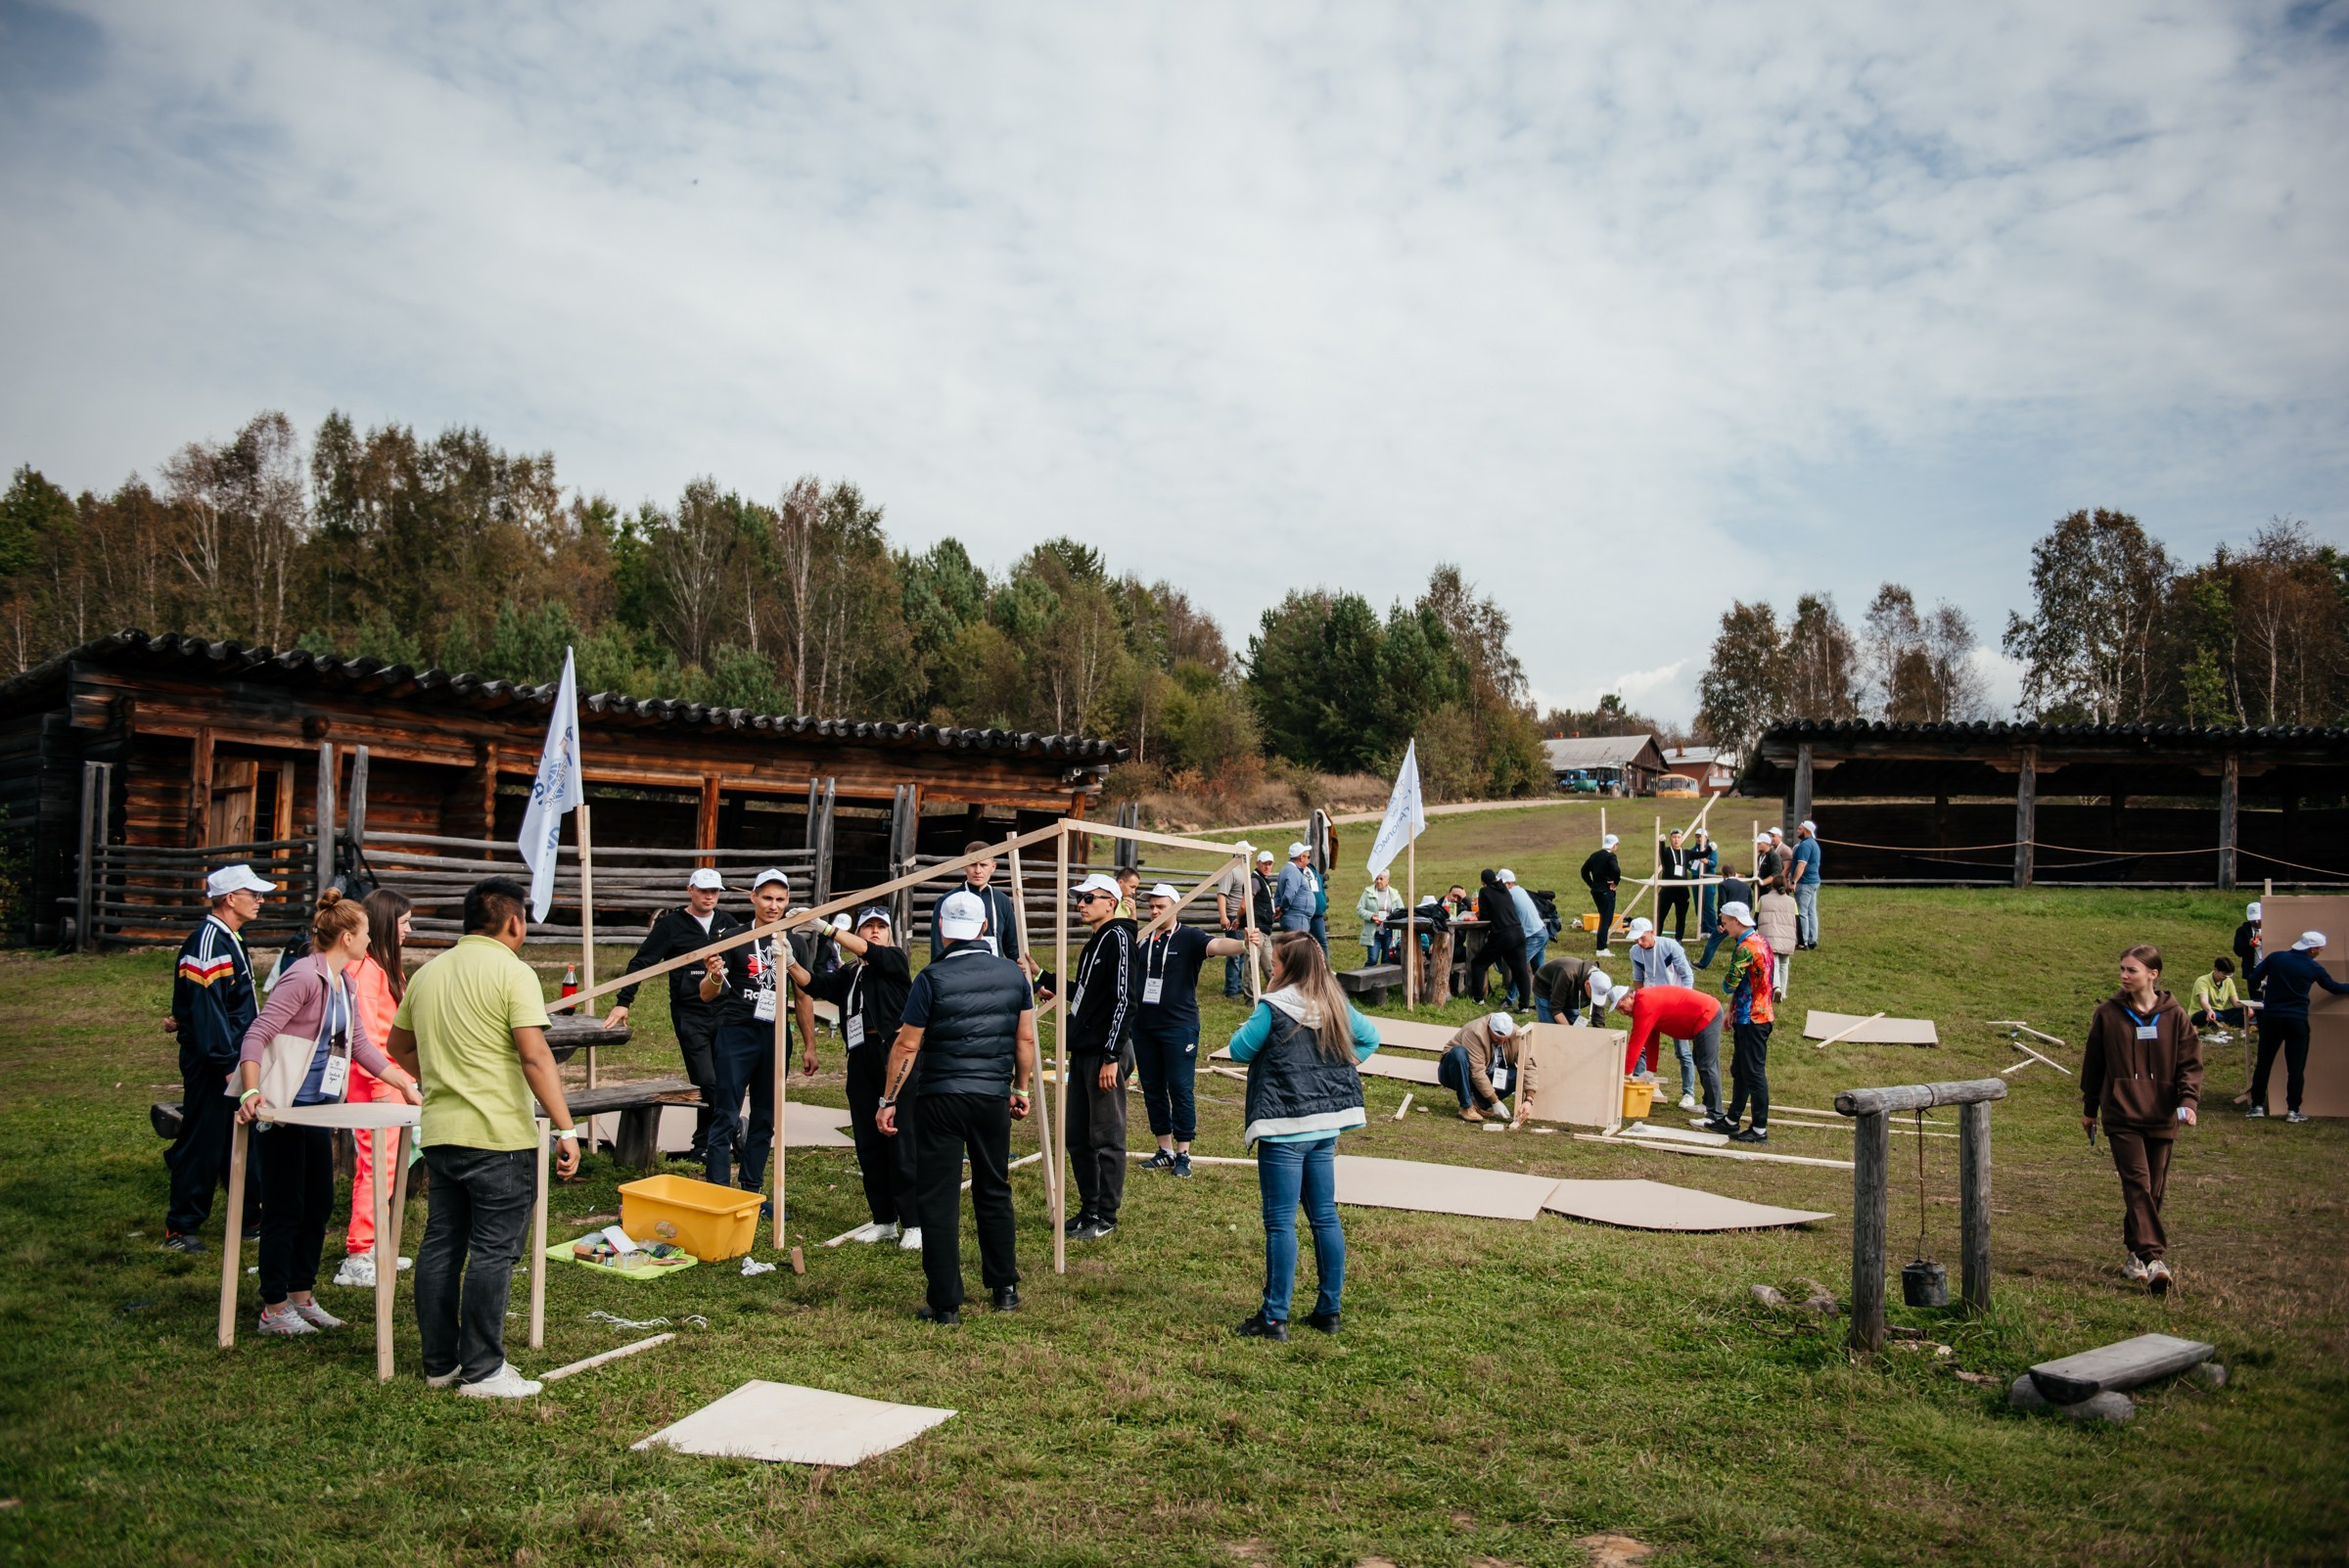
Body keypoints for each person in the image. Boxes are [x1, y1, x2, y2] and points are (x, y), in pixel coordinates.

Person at [387, 876, 580, 1398]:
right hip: (500, 1136)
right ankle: (482, 1370)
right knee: (493, 1251)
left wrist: (442, 1077)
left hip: (443, 1133)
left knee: (441, 1245)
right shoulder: (512, 972)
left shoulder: (427, 973)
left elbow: (398, 1047)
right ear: (513, 921)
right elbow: (535, 1056)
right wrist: (566, 1128)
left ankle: (439, 1364)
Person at [234, 890, 421, 1337]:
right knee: (285, 1207)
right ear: (347, 937)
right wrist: (251, 1090)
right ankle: (273, 1306)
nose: (372, 939)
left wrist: (404, 1084)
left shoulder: (346, 982)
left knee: (316, 1204)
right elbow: (256, 1034)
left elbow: (360, 1045)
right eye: (367, 933)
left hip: (320, 1110)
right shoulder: (302, 976)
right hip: (283, 1109)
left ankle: (301, 1294)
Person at [876, 889, 1036, 1322]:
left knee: (939, 1197)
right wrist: (1019, 1089)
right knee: (994, 1187)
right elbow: (1024, 1039)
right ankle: (1004, 1286)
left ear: (943, 930)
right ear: (985, 928)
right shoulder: (1013, 976)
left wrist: (888, 1098)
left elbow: (907, 1043)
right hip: (990, 1097)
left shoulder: (930, 978)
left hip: (941, 1097)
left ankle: (946, 1303)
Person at [1226, 932, 1381, 1339]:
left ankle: (1275, 1317)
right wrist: (1343, 1063)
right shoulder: (1333, 1002)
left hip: (1285, 1127)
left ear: (1288, 967)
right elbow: (1371, 1039)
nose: (1270, 968)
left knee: (1280, 1223)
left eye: (1274, 963)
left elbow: (1238, 1050)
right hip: (1325, 1125)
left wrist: (1257, 1012)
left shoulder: (1273, 1007)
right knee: (1324, 1216)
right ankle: (1329, 1310)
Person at [161, 863, 273, 1254]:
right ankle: (180, 1229)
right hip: (215, 1064)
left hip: (234, 1060)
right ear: (230, 899)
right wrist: (227, 1066)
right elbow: (209, 1014)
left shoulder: (230, 938)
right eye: (254, 894)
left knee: (242, 1139)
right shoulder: (207, 943)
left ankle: (251, 1219)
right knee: (202, 1141)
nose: (261, 900)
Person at [793, 906, 917, 1247]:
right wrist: (789, 961)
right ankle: (884, 1220)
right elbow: (815, 985)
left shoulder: (893, 961)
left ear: (889, 934)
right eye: (868, 927)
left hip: (893, 1054)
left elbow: (870, 953)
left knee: (900, 1137)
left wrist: (824, 928)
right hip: (860, 1057)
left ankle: (915, 1223)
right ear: (858, 931)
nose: (874, 932)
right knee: (867, 1139)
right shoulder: (851, 974)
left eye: (881, 927)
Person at [2081, 944, 2201, 1294]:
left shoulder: (2175, 1015)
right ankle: (2153, 1259)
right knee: (2137, 1182)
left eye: (2131, 970)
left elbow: (2190, 1063)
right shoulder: (2108, 1014)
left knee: (2155, 1189)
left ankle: (2134, 1254)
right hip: (2122, 1113)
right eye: (2122, 969)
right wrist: (2090, 1108)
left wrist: (2188, 1101)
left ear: (2153, 974)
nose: (2123, 975)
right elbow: (2094, 1064)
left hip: (2163, 1114)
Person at [697, 868, 814, 1202]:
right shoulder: (733, 937)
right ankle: (719, 1193)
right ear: (753, 897)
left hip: (776, 1035)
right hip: (738, 1032)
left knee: (765, 1117)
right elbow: (706, 994)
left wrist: (810, 1045)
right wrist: (714, 976)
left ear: (788, 900)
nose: (773, 905)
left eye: (780, 899)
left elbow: (804, 994)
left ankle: (752, 1192)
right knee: (726, 1113)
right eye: (766, 897)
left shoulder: (796, 942)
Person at [606, 867, 735, 1165]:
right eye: (704, 890)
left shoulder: (727, 924)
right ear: (690, 889)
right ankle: (709, 1142)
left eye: (715, 891)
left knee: (724, 1081)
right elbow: (643, 962)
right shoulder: (671, 925)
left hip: (725, 1011)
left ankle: (708, 1145)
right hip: (690, 1013)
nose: (709, 896)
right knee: (706, 1080)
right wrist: (624, 1001)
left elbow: (744, 961)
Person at [1034, 872, 1136, 1240]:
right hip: (1083, 1050)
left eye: (1088, 898)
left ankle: (1106, 1216)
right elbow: (1087, 995)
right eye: (1079, 898)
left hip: (1105, 1051)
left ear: (1110, 902)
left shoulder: (1120, 937)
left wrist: (1111, 1056)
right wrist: (1043, 977)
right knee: (1077, 1135)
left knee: (1107, 1136)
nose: (1081, 903)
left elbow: (1125, 1000)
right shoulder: (1095, 942)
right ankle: (1089, 1208)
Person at [1131, 884, 1253, 1176]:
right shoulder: (1142, 938)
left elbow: (1217, 946)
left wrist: (1244, 944)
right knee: (1152, 1087)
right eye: (1152, 907)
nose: (1155, 911)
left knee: (1180, 1088)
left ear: (1175, 907)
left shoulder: (1189, 937)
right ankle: (1165, 1149)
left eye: (1161, 906)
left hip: (1179, 1026)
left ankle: (1184, 1152)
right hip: (1144, 1026)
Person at [335, 887, 417, 1287]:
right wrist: (383, 1086)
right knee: (374, 1169)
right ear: (386, 924)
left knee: (388, 1167)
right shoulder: (364, 972)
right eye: (404, 923)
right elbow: (363, 1037)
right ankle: (358, 1253)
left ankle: (376, 1244)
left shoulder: (386, 968)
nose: (410, 930)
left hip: (393, 1083)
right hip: (374, 1086)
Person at [2249, 931, 2349, 1123]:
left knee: (2263, 1063)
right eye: (2320, 950)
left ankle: (2257, 1106)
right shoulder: (2313, 968)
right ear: (2312, 950)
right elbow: (2334, 988)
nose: (2320, 953)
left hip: (2271, 1018)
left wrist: (2264, 989)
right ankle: (2293, 1111)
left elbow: (2254, 978)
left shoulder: (2275, 958)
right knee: (2295, 1068)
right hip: (2297, 1021)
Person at [1599, 972, 1724, 1120]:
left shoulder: (1644, 1004)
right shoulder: (1644, 1002)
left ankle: (1716, 1114)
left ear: (1630, 997)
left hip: (1707, 1014)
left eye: (1621, 1007)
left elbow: (1636, 1040)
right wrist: (1651, 1070)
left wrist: (1627, 1072)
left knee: (1707, 1065)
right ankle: (1708, 1103)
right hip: (1703, 1016)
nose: (1622, 1012)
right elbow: (1651, 1038)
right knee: (1701, 1060)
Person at [1712, 900, 1774, 1142]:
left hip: (1753, 1019)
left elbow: (1730, 984)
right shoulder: (1761, 940)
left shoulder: (1744, 948)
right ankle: (1732, 1119)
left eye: (1726, 923)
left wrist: (1729, 992)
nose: (1724, 928)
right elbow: (1747, 985)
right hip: (1750, 1014)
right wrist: (1730, 1011)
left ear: (1737, 921)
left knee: (1754, 1073)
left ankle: (1759, 1129)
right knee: (1740, 1070)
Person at [1625, 917, 1694, 1086]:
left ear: (1652, 932)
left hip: (1675, 1003)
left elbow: (1687, 975)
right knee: (1641, 1044)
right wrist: (1641, 1001)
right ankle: (1640, 1083)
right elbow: (1638, 978)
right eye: (1636, 939)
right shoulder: (1635, 952)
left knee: (1683, 1051)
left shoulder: (1670, 946)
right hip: (1651, 1004)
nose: (1639, 942)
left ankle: (1688, 1092)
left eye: (1643, 938)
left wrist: (1684, 1001)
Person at [929, 841, 1023, 962]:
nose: (978, 870)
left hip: (994, 971)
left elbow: (1012, 947)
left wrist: (1019, 965)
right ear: (963, 865)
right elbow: (938, 947)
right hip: (959, 970)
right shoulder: (947, 901)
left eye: (983, 865)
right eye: (973, 864)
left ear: (993, 867)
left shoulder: (1002, 900)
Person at [1437, 1011, 1518, 1123]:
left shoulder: (1517, 1033)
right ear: (1489, 1028)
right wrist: (1495, 1101)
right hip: (1455, 1071)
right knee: (1458, 1053)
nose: (1501, 1043)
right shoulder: (1474, 1032)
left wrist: (1529, 1098)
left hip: (1485, 1071)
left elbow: (1528, 1066)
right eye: (1498, 1038)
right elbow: (1477, 1072)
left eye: (1505, 1039)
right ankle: (1466, 1107)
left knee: (1516, 1074)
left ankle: (1477, 1104)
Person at [1467, 868, 1532, 1007]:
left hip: (1502, 935)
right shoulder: (1505, 889)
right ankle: (1524, 1005)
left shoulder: (1484, 891)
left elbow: (1485, 915)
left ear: (1483, 882)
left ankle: (1478, 998)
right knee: (1521, 971)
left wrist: (1477, 916)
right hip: (1519, 933)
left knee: (1479, 963)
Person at [1696, 859, 1754, 970]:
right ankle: (1746, 964)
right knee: (1744, 943)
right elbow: (1749, 904)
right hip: (1742, 920)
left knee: (1713, 941)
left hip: (1729, 920)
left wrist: (1720, 923)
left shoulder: (1723, 885)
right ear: (1735, 873)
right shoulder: (1745, 886)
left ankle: (1703, 964)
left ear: (1723, 874)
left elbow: (1722, 903)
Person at [1218, 843, 1255, 996]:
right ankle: (1231, 989)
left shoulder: (1244, 871)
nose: (1251, 856)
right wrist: (1224, 916)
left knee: (1241, 950)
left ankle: (1238, 985)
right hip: (1233, 917)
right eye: (1249, 853)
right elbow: (1221, 894)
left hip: (1241, 917)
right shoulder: (1230, 871)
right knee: (1234, 954)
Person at [1502, 868, 1548, 982]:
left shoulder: (1510, 894)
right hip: (1542, 931)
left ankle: (1510, 999)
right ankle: (1546, 994)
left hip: (1534, 935)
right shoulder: (1520, 890)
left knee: (1519, 968)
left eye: (1501, 883)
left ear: (1508, 883)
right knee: (1539, 972)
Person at [1580, 835, 1622, 955]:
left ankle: (1602, 944)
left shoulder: (1595, 855)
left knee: (1603, 917)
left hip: (1596, 891)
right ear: (1614, 845)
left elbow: (1584, 871)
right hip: (1606, 891)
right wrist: (1615, 882)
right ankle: (1601, 948)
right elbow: (1616, 870)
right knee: (1606, 920)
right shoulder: (1611, 857)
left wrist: (1592, 884)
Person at [1756, 883, 1798, 1000]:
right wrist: (1800, 939)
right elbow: (1797, 919)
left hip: (1770, 937)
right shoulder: (1792, 901)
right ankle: (1783, 992)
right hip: (1787, 937)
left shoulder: (1763, 899)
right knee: (1784, 964)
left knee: (1774, 964)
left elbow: (1756, 917)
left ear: (1772, 886)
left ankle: (1776, 987)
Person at [1275, 843, 1321, 947]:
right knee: (1298, 949)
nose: (1308, 860)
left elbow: (1278, 894)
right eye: (1308, 857)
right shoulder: (1293, 872)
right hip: (1297, 918)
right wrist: (1282, 909)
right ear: (1301, 857)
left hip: (1296, 918)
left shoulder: (1286, 870)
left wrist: (1279, 908)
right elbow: (1288, 895)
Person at [1357, 870, 1405, 965]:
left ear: (1387, 880)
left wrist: (1392, 918)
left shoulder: (1395, 894)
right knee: (1372, 959)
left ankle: (1383, 980)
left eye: (1381, 879)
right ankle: (1365, 978)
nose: (1378, 881)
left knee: (1387, 960)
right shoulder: (1368, 892)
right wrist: (1371, 916)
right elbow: (1359, 909)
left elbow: (1401, 911)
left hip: (1389, 933)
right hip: (1374, 932)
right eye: (1376, 878)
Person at [1535, 954, 1600, 1025]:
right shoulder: (1567, 974)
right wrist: (1569, 1032)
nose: (1595, 998)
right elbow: (1556, 1009)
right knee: (1550, 1029)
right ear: (1587, 984)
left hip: (1567, 989)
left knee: (1573, 1024)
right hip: (1545, 988)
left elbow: (1599, 1016)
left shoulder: (1601, 982)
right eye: (1594, 994)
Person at [1656, 829, 1694, 942]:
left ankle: (1679, 939)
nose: (1676, 840)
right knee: (1661, 916)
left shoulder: (1686, 853)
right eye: (1674, 837)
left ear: (1682, 839)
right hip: (1667, 891)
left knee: (1681, 917)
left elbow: (1703, 854)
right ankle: (1657, 939)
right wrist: (1661, 842)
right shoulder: (1667, 852)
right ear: (1670, 839)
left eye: (1678, 837)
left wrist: (1710, 849)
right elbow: (1661, 851)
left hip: (1682, 891)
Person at [1790, 819, 1822, 949]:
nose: (1797, 830)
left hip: (1805, 882)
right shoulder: (1813, 844)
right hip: (1814, 881)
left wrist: (1794, 881)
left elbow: (1801, 864)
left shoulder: (1805, 845)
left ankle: (1803, 941)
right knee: (1811, 911)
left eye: (1800, 828)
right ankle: (1812, 939)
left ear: (1806, 831)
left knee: (1803, 912)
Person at [2234, 901, 2264, 1003]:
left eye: (2258, 919)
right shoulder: (2242, 931)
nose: (2256, 922)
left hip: (2269, 968)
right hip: (2253, 969)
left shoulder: (2271, 928)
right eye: (2253, 919)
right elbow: (2238, 950)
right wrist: (2249, 946)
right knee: (2256, 998)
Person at [1692, 830, 1720, 937]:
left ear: (1706, 838)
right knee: (1698, 904)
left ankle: (1712, 929)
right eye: (1697, 837)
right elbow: (1690, 864)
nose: (1699, 839)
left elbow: (1714, 863)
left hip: (1708, 879)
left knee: (1708, 905)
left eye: (1701, 837)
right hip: (1696, 879)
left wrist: (1706, 861)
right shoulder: (1694, 850)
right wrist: (1691, 869)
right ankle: (1703, 928)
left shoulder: (1712, 850)